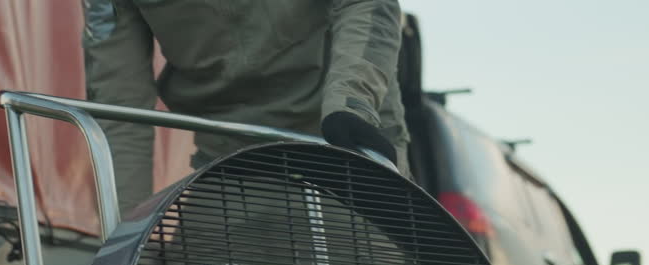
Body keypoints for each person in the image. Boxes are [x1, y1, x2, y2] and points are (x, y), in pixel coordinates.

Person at [81, 0, 411, 214]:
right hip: (227, 155)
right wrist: (123, 240)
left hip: (343, 139)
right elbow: (119, 107)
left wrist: (352, 104)